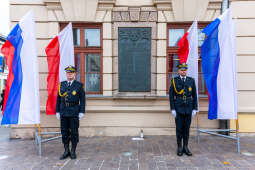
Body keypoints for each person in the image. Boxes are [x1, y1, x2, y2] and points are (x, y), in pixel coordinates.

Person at [56, 65, 85, 160]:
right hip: (64, 112)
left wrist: (81, 112)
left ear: (75, 74)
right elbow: (58, 100)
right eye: (68, 73)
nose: (69, 75)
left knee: (74, 132)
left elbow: (83, 100)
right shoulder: (62, 85)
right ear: (66, 74)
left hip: (73, 112)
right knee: (64, 132)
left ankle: (73, 151)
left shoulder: (79, 85)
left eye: (71, 73)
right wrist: (57, 111)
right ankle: (66, 150)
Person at [169, 63, 198, 156]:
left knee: (186, 129)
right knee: (179, 129)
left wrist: (195, 108)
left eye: (185, 70)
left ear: (186, 70)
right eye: (181, 70)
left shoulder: (191, 81)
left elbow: (194, 95)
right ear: (178, 71)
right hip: (178, 109)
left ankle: (186, 146)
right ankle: (179, 147)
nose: (183, 71)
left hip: (189, 109)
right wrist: (172, 109)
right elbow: (171, 96)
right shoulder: (174, 80)